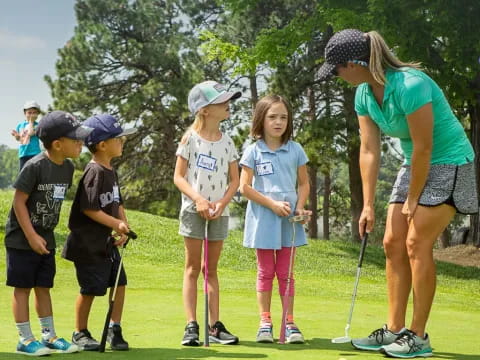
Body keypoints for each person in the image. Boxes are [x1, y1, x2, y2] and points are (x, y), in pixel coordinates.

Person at [318, 29, 478, 358]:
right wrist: (366, 206)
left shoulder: (411, 84)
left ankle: (418, 336)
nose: (335, 76)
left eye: (336, 69)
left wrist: (414, 196)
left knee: (416, 243)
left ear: (353, 63)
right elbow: (369, 150)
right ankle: (394, 329)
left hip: (448, 163)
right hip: (414, 164)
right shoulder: (363, 94)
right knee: (392, 243)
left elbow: (424, 146)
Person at [5, 110, 93, 356]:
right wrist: (31, 236)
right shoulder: (34, 167)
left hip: (46, 238)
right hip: (21, 238)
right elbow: (18, 202)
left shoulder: (67, 168)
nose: (81, 143)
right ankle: (25, 339)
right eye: (76, 140)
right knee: (22, 288)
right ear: (57, 144)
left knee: (43, 286)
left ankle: (49, 335)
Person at [239, 95, 312, 344]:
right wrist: (271, 204)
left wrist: (300, 208)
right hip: (263, 219)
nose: (278, 122)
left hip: (288, 221)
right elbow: (244, 188)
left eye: (283, 117)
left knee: (286, 273)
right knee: (265, 272)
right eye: (272, 117)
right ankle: (265, 323)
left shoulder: (296, 149)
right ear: (262, 119)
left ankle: (289, 323)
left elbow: (304, 183)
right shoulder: (253, 151)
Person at [173, 80, 241, 346]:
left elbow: (234, 180)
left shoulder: (228, 141)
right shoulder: (190, 139)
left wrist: (222, 203)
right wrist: (199, 200)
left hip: (219, 212)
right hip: (193, 209)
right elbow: (179, 177)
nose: (228, 105)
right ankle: (191, 325)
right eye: (222, 102)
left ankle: (214, 326)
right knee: (192, 269)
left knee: (211, 270)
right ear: (204, 110)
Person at [62, 114, 137, 351]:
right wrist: (116, 224)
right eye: (118, 138)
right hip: (87, 245)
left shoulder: (110, 170)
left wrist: (123, 225)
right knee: (90, 289)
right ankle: (80, 332)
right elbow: (89, 208)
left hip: (107, 243)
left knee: (119, 283)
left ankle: (115, 329)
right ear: (103, 144)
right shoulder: (94, 172)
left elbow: (118, 202)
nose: (123, 141)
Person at [11, 101, 42, 170]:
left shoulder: (38, 125)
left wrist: (31, 121)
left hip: (35, 153)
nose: (32, 115)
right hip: (23, 154)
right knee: (23, 174)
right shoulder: (20, 125)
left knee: (35, 173)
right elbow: (21, 139)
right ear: (25, 113)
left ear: (37, 114)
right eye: (29, 113)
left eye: (34, 113)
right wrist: (17, 136)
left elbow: (30, 133)